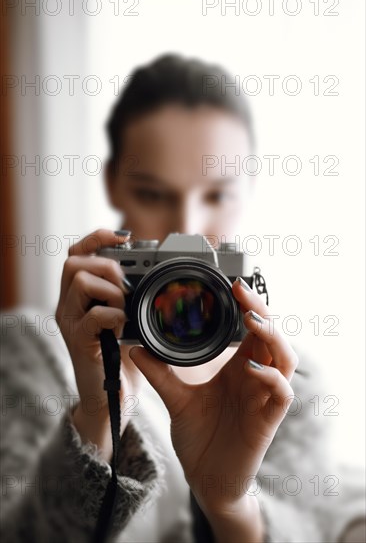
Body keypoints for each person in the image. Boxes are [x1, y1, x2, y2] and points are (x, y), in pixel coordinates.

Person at [1, 54, 365, 543]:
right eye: (153, 194)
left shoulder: (284, 380)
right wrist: (99, 416)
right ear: (113, 184)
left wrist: (232, 504)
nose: (186, 228)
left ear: (249, 189)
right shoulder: (29, 349)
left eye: (215, 196)